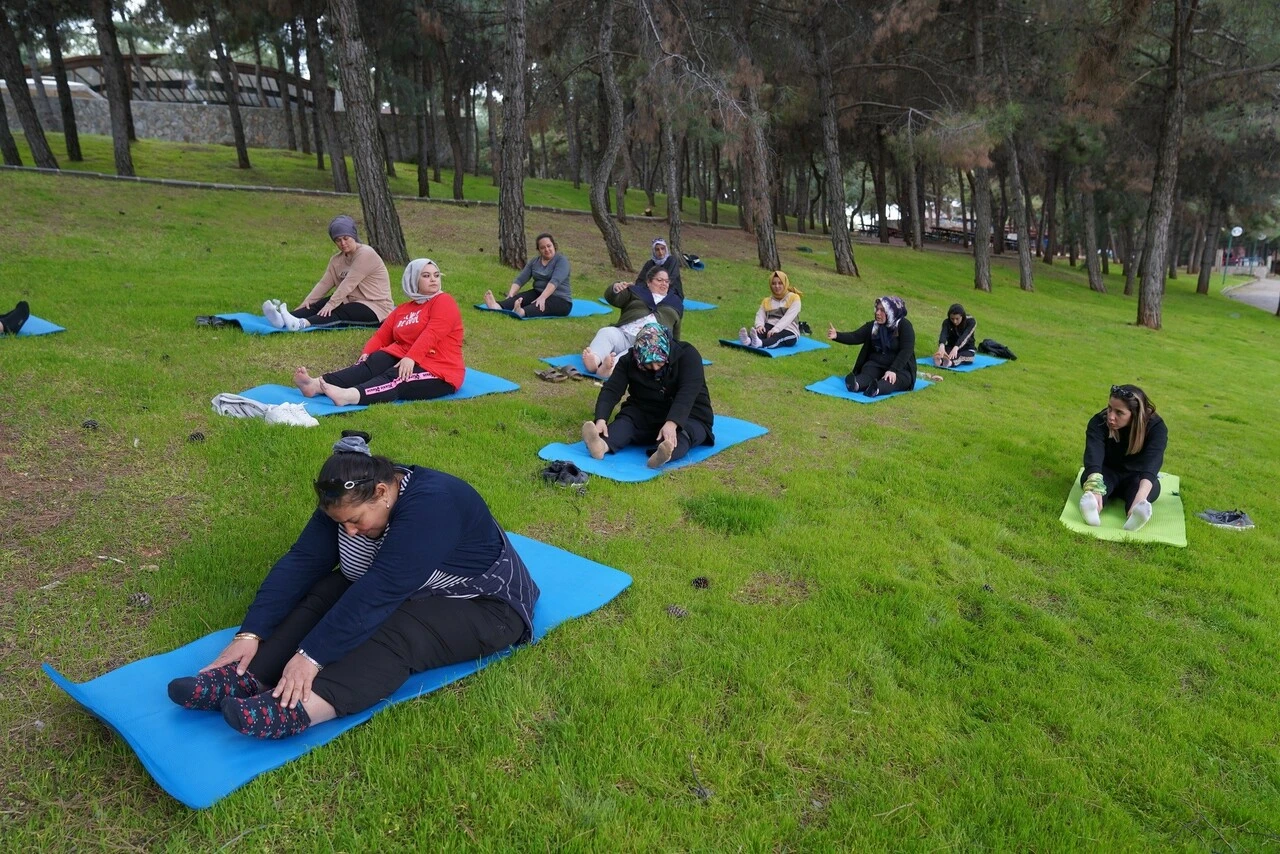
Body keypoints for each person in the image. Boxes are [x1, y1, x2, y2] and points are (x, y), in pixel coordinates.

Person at [166, 433, 540, 739]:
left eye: (356, 521)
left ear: (382, 491)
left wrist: (311, 657)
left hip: (488, 606)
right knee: (327, 591)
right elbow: (302, 562)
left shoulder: (434, 505)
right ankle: (250, 676)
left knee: (397, 627)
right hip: (415, 586)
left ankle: (302, 707)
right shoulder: (347, 500)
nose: (350, 531)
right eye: (341, 523)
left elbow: (382, 590)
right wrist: (251, 633)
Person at [293, 258, 464, 407]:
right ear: (413, 280)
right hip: (406, 356)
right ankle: (314, 385)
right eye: (426, 276)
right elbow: (382, 335)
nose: (433, 280)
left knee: (398, 377)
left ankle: (348, 396)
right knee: (375, 361)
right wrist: (367, 353)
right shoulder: (404, 309)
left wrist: (411, 358)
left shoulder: (444, 301)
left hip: (440, 368)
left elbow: (433, 333)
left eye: (436, 275)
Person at [581, 323, 714, 469]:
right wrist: (601, 419)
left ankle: (661, 455)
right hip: (646, 410)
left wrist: (672, 422)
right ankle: (600, 445)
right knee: (625, 423)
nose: (655, 368)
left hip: (691, 414)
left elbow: (687, 393)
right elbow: (612, 390)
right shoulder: (628, 360)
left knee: (680, 435)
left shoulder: (688, 355)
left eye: (659, 363)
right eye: (648, 365)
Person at [262, 215, 394, 331]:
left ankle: (301, 324)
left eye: (346, 238)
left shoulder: (366, 254)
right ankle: (283, 319)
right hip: (350, 299)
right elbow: (324, 284)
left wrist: (331, 304)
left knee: (337, 310)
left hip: (376, 307)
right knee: (317, 305)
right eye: (338, 240)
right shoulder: (336, 260)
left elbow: (348, 284)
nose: (342, 243)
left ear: (353, 236)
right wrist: (306, 302)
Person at [1079, 384, 1167, 532]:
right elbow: (1093, 454)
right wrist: (1095, 486)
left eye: (1119, 412)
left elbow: (1153, 461)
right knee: (1091, 481)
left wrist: (1141, 497)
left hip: (1136, 476)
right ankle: (1092, 508)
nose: (1111, 416)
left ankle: (1135, 516)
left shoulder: (1156, 427)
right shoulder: (1099, 421)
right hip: (1107, 472)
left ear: (1135, 414)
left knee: (1144, 492)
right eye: (1109, 408)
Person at [583, 267, 685, 379]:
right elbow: (613, 298)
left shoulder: (675, 303)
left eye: (666, 281)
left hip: (648, 341)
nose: (664, 284)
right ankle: (594, 360)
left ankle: (610, 368)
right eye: (659, 280)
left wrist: (674, 350)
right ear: (649, 282)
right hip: (624, 333)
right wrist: (616, 288)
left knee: (636, 351)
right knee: (606, 332)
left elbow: (676, 330)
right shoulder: (636, 292)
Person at [827, 296, 917, 397]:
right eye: (877, 309)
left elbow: (906, 350)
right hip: (877, 363)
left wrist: (893, 370)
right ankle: (856, 385)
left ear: (892, 312)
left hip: (900, 368)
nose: (877, 313)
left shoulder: (904, 325)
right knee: (868, 374)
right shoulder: (874, 326)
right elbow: (856, 336)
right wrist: (837, 335)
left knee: (891, 380)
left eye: (882, 310)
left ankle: (876, 389)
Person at [483, 232, 572, 318]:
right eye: (542, 248)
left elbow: (555, 281)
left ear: (554, 245)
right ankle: (496, 306)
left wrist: (543, 297)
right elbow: (520, 279)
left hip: (560, 300)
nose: (547, 249)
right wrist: (511, 294)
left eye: (549, 246)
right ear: (539, 250)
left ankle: (521, 312)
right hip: (538, 292)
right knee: (520, 298)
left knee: (540, 304)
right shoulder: (534, 262)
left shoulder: (561, 261)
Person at [738, 271, 802, 349]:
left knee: (777, 337)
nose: (777, 286)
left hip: (789, 329)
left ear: (785, 283)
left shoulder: (794, 298)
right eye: (774, 283)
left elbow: (788, 317)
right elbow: (760, 314)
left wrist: (776, 329)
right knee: (760, 331)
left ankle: (760, 343)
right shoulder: (767, 301)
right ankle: (748, 341)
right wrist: (759, 325)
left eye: (780, 283)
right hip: (770, 326)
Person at [933, 303, 977, 367]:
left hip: (967, 349)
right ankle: (940, 360)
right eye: (952, 319)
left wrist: (956, 347)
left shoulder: (971, 322)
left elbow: (965, 337)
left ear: (962, 316)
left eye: (957, 319)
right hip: (951, 347)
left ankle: (949, 363)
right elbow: (943, 334)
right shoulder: (946, 322)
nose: (955, 321)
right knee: (944, 352)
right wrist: (941, 346)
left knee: (962, 357)